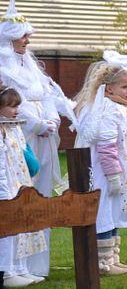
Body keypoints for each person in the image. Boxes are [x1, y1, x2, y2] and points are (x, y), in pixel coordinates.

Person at [0, 0, 73, 278]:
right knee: (21, 194)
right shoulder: (5, 70)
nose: (27, 41)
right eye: (22, 36)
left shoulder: (30, 66)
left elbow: (48, 94)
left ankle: (35, 264)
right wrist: (37, 123)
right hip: (20, 139)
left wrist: (52, 119)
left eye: (28, 36)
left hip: (44, 137)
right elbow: (13, 104)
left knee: (40, 196)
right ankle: (14, 265)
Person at [73, 50, 127, 276]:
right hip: (106, 173)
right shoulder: (107, 109)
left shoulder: (122, 106)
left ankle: (112, 258)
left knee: (115, 211)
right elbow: (106, 146)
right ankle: (101, 262)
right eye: (124, 87)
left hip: (118, 170)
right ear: (109, 88)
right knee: (104, 213)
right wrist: (113, 175)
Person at [0, 86, 47, 287]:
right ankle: (7, 271)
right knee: (8, 231)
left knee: (22, 228)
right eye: (11, 106)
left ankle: (21, 268)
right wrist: (4, 193)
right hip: (7, 188)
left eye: (17, 106)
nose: (16, 110)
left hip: (19, 184)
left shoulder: (13, 127)